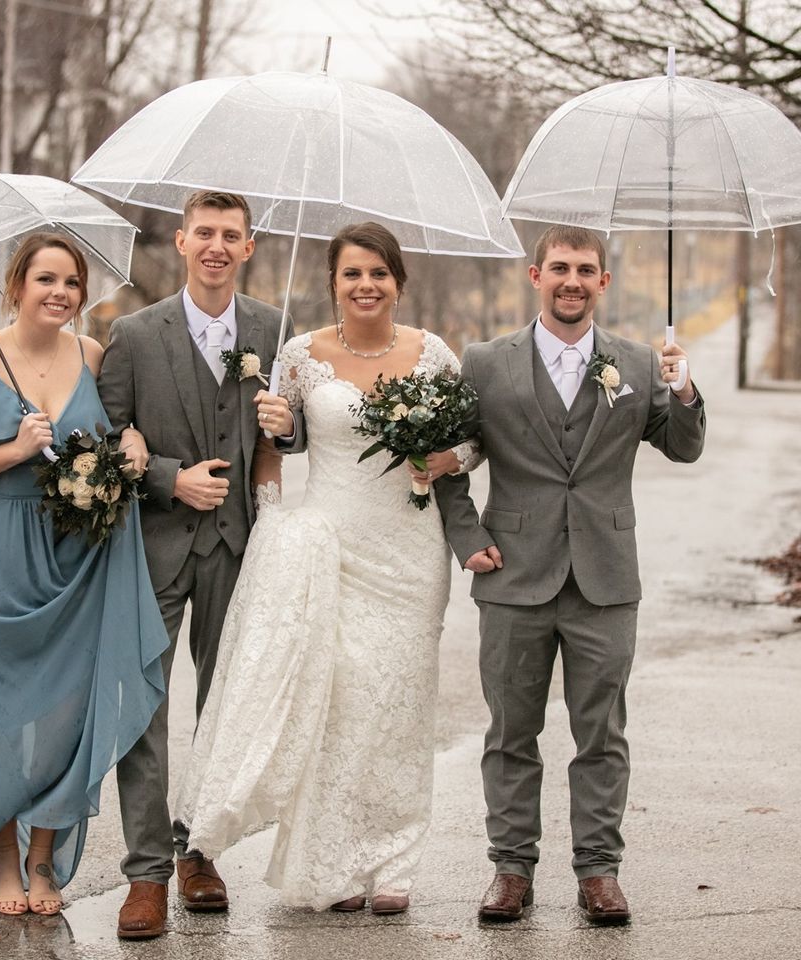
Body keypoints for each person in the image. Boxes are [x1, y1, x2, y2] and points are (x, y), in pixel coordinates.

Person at [175, 221, 479, 915]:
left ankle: (396, 858)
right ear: (333, 284)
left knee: (399, 703)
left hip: (408, 551)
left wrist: (448, 460)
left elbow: (472, 438)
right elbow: (275, 447)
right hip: (328, 546)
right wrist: (274, 516)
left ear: (398, 281)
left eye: (378, 273)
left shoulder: (431, 354)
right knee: (337, 705)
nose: (366, 285)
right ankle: (333, 858)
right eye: (352, 274)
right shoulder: (300, 354)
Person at [430, 224, 706, 925]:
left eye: (586, 269)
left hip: (606, 579)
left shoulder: (640, 363)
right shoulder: (487, 363)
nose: (572, 280)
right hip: (513, 573)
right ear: (536, 276)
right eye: (560, 268)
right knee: (509, 733)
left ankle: (599, 872)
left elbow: (683, 448)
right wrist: (467, 538)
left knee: (602, 735)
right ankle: (511, 868)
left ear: (604, 283)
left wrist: (684, 388)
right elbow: (449, 458)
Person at [0, 232, 169, 915]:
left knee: (66, 709)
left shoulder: (92, 355)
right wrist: (9, 451)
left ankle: (43, 858)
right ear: (17, 287)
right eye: (46, 280)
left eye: (71, 284)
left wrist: (134, 440)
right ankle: (3, 853)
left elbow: (119, 429)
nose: (60, 293)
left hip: (77, 553)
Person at [97, 190, 296, 939]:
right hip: (154, 546)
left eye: (231, 236)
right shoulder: (133, 334)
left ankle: (198, 852)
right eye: (203, 233)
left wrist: (290, 422)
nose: (216, 246)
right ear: (181, 242)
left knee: (223, 711)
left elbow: (294, 434)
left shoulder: (274, 331)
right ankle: (145, 876)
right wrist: (165, 476)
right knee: (145, 711)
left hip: (238, 547)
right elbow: (109, 434)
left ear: (249, 247)